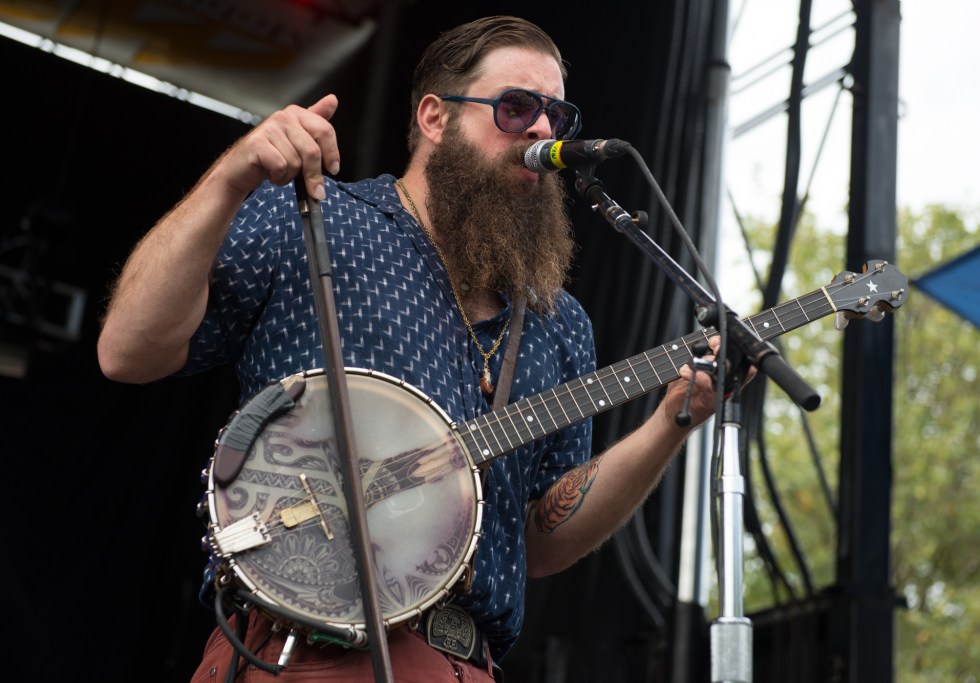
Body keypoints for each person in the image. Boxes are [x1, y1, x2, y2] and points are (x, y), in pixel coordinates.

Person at [98, 14, 734, 683]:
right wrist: (231, 176)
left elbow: (540, 540)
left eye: (556, 115)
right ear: (435, 117)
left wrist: (673, 421)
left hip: (467, 664)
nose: (542, 131)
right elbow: (128, 352)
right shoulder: (314, 217)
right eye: (516, 108)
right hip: (304, 651)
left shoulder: (558, 321)